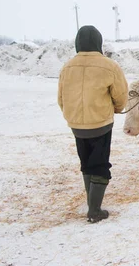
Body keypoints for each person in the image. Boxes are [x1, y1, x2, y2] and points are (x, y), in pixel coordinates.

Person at [57, 25, 128, 223]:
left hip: (77, 126)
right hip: (100, 123)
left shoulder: (67, 66)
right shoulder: (109, 66)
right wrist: (115, 108)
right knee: (100, 164)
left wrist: (71, 116)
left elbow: (61, 97)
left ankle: (91, 202)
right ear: (99, 42)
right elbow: (121, 95)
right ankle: (94, 210)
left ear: (77, 43)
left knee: (86, 162)